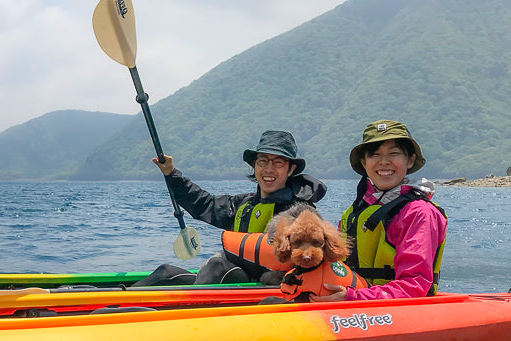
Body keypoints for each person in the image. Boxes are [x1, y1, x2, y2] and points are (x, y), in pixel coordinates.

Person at [134, 130, 326, 285]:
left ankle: (188, 311)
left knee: (217, 265)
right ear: (255, 166)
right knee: (165, 272)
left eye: (278, 163)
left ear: (291, 169)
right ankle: (120, 303)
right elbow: (204, 204)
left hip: (263, 288)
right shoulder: (244, 205)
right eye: (262, 161)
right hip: (226, 279)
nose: (269, 169)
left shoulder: (301, 213)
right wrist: (171, 174)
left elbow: (313, 258)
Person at [312, 120, 447, 302]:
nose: (384, 162)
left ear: (409, 160)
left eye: (393, 153)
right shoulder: (352, 214)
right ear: (364, 162)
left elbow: (414, 284)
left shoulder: (419, 213)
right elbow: (336, 266)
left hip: (399, 309)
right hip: (357, 304)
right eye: (375, 155)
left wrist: (353, 297)